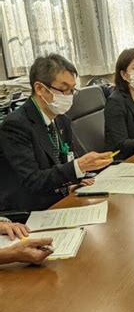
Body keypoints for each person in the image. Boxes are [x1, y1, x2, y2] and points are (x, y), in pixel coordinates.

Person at [0, 54, 114, 214]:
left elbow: (64, 162)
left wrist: (73, 182)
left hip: (58, 198)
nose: (69, 96)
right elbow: (33, 181)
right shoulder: (15, 125)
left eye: (72, 90)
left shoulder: (62, 120)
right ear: (40, 88)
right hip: (30, 210)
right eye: (63, 89)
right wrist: (77, 167)